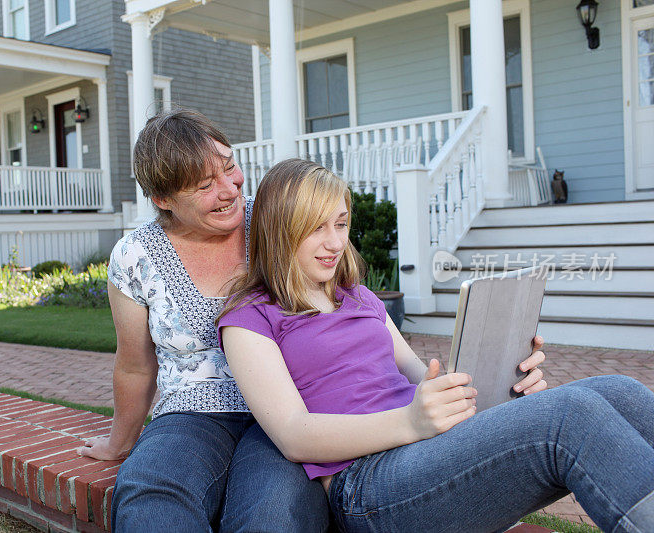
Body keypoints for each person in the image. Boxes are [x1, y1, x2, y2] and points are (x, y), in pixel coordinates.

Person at [217, 158, 654, 533]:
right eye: (315, 228)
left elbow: (420, 376)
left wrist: (505, 381)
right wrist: (410, 422)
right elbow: (294, 435)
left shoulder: (359, 296)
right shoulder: (250, 318)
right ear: (280, 229)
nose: (335, 242)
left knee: (621, 392)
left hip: (431, 453)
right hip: (368, 484)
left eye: (341, 223)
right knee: (570, 416)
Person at [77, 110, 329, 532]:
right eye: (205, 185)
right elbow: (135, 365)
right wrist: (119, 442)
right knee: (151, 495)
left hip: (291, 408)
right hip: (192, 414)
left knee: (274, 513)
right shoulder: (135, 256)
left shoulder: (274, 223)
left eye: (229, 167)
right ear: (163, 199)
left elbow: (345, 309)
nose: (231, 189)